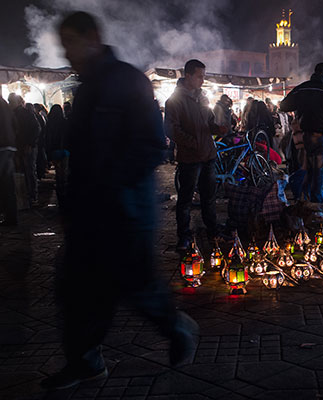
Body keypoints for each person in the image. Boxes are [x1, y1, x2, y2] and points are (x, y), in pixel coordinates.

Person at [41, 11, 198, 390]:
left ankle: (177, 327)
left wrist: (113, 190)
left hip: (125, 206)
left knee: (132, 284)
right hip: (91, 208)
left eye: (72, 43)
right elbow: (80, 152)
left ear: (93, 36)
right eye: (64, 46)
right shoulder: (88, 87)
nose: (68, 53)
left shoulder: (126, 81)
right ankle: (85, 360)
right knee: (76, 287)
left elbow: (150, 146)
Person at [165, 59, 221, 251]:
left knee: (209, 197)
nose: (202, 80)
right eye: (199, 76)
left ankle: (212, 229)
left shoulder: (203, 98)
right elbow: (171, 130)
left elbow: (209, 122)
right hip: (190, 158)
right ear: (187, 76)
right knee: (186, 199)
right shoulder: (175, 100)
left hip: (208, 155)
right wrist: (193, 143)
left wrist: (218, 128)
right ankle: (184, 236)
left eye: (204, 76)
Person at [279, 62, 323, 202]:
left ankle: (304, 199)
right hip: (322, 135)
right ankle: (316, 202)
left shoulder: (302, 88)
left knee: (307, 168)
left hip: (306, 136)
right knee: (319, 171)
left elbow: (284, 105)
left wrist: (302, 108)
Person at [8, 93, 40, 206]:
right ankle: (28, 196)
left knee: (28, 171)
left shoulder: (23, 113)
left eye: (11, 101)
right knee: (26, 171)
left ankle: (30, 196)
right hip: (21, 147)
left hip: (26, 147)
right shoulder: (16, 113)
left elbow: (36, 129)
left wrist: (30, 144)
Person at [45, 104, 69, 209]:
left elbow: (48, 139)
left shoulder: (49, 124)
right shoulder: (65, 122)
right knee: (65, 171)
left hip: (55, 151)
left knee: (58, 172)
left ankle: (60, 189)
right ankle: (65, 189)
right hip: (65, 150)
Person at [0, 97, 17, 226]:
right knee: (8, 184)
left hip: (1, 147)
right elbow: (15, 124)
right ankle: (11, 216)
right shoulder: (5, 104)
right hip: (9, 146)